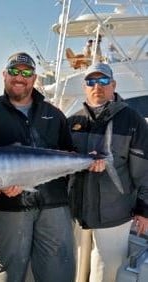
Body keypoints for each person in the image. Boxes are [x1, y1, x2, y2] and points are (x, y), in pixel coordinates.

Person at [0, 52, 104, 282]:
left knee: (59, 272)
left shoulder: (54, 114)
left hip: (54, 205)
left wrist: (89, 160)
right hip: (7, 206)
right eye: (14, 71)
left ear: (34, 78)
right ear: (4, 75)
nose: (19, 77)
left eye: (26, 72)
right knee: (10, 273)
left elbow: (67, 155)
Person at [67, 62, 148, 282]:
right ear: (85, 87)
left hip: (115, 213)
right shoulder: (73, 121)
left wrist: (144, 209)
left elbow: (144, 170)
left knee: (106, 271)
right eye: (91, 81)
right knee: (73, 267)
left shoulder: (133, 120)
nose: (97, 86)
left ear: (113, 84)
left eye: (103, 80)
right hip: (76, 209)